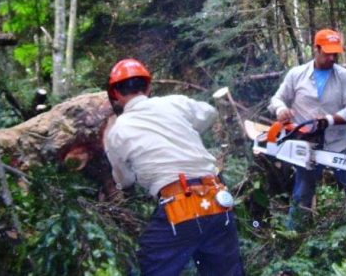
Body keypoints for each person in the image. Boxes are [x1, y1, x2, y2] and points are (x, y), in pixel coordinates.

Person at [104, 58, 245, 276]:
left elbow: (125, 181)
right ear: (148, 87)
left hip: (178, 208)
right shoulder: (174, 103)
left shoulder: (116, 131)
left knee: (147, 267)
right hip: (217, 201)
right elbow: (209, 113)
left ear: (116, 94)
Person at [268, 29, 346, 229]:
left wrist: (330, 120)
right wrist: (281, 109)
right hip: (307, 147)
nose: (331, 57)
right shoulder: (296, 75)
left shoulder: (344, 76)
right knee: (302, 195)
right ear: (316, 49)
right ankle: (293, 237)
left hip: (338, 143)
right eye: (327, 53)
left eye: (334, 53)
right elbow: (277, 99)